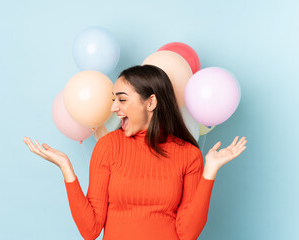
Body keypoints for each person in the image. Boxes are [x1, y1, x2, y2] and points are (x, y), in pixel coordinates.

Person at [23, 65, 247, 240]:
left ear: (150, 102)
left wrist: (209, 172)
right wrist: (66, 169)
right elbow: (90, 230)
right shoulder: (108, 146)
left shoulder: (189, 155)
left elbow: (187, 233)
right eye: (114, 100)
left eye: (122, 99)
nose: (113, 108)